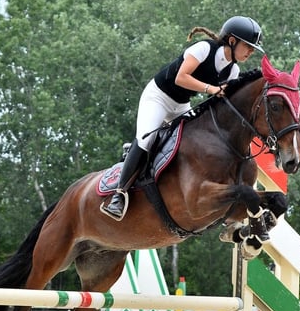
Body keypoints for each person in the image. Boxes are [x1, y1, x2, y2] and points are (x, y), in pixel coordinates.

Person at [101, 15, 264, 220]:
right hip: (158, 97)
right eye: (248, 46)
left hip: (181, 104)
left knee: (189, 142)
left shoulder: (233, 70)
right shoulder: (204, 48)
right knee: (146, 139)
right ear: (232, 41)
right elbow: (182, 77)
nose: (250, 51)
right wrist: (211, 89)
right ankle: (119, 194)